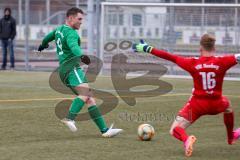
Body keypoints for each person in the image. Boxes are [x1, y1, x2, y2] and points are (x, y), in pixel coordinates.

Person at [133, 34, 240, 157]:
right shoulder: (223, 61)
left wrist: (147, 48)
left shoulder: (192, 63)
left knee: (174, 129)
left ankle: (186, 139)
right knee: (228, 107)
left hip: (198, 105)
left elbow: (169, 56)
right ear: (214, 48)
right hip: (217, 103)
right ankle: (230, 137)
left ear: (200, 48)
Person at [38, 7, 122, 137]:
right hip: (72, 68)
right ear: (70, 18)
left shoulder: (59, 30)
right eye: (79, 19)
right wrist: (82, 56)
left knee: (89, 99)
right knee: (85, 93)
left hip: (63, 71)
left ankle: (104, 131)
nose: (81, 22)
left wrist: (43, 46)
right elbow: (74, 47)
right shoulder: (71, 33)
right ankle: (69, 118)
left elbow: (47, 38)